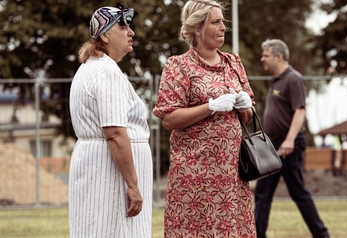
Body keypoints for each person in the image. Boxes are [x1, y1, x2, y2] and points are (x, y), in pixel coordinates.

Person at [153, 0, 256, 237]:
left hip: (231, 174)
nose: (223, 27)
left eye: (223, 22)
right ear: (198, 28)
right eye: (216, 22)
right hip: (194, 174)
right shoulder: (178, 66)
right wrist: (210, 106)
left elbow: (248, 118)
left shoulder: (234, 63)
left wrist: (243, 107)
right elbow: (169, 119)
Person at [68, 3, 153, 237]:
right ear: (105, 35)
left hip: (98, 166)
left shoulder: (91, 67)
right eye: (123, 26)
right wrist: (133, 186)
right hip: (108, 173)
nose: (131, 32)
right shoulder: (106, 72)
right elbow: (115, 133)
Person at [254, 39, 330, 238]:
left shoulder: (293, 79)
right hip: (272, 146)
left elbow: (300, 111)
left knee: (298, 193)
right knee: (262, 193)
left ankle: (322, 235)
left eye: (266, 55)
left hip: (288, 145)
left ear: (279, 57)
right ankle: (257, 235)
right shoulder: (277, 80)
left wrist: (289, 140)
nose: (262, 59)